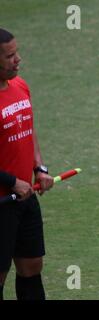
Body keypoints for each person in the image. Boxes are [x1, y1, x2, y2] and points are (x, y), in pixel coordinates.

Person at [0, 28, 54, 300]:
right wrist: (11, 182)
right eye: (10, 56)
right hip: (3, 202)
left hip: (26, 197)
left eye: (16, 52)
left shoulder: (20, 86)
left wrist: (39, 168)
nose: (18, 59)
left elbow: (28, 130)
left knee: (32, 267)